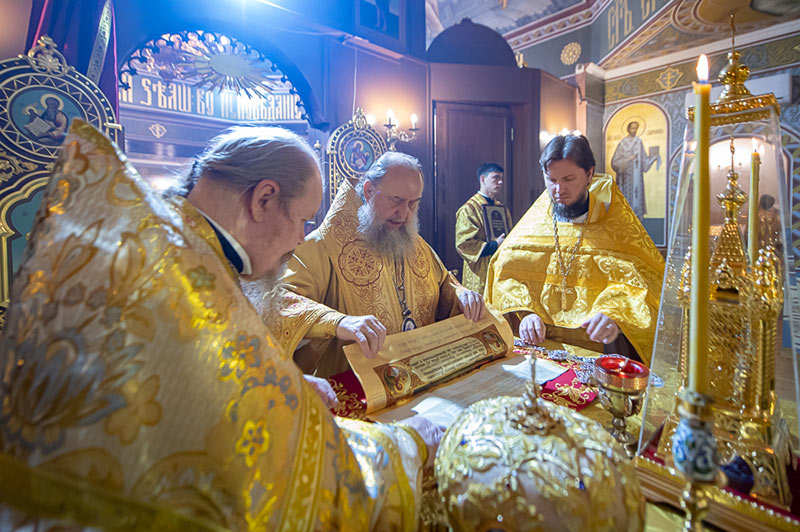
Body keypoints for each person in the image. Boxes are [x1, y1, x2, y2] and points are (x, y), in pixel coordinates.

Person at [0, 121, 442, 531]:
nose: (300, 239)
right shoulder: (182, 277)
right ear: (263, 199)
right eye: (302, 219)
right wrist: (406, 448)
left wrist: (283, 383)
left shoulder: (168, 243)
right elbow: (288, 478)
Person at [275, 151, 487, 378]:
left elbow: (443, 281)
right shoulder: (322, 246)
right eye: (396, 201)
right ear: (368, 191)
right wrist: (338, 322)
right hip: (356, 387)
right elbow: (281, 304)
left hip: (422, 376)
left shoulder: (413, 241)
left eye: (413, 204)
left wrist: (460, 294)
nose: (404, 214)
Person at [486, 135, 664, 364]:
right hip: (538, 350)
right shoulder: (534, 224)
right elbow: (503, 274)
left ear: (590, 174)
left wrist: (615, 316)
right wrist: (526, 312)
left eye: (569, 178)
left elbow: (645, 284)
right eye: (551, 180)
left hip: (597, 350)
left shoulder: (615, 227)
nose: (558, 189)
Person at [455, 163, 512, 294]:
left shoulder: (502, 208)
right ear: (483, 179)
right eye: (495, 177)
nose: (500, 182)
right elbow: (463, 245)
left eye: (501, 178)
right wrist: (494, 245)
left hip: (499, 270)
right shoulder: (469, 209)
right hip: (479, 272)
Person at [610, 121, 660, 219]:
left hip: (637, 181)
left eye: (636, 128)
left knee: (636, 206)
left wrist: (653, 158)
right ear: (628, 129)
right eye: (632, 128)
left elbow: (644, 162)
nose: (634, 130)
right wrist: (629, 159)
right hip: (625, 180)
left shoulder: (638, 142)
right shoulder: (622, 143)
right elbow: (614, 162)